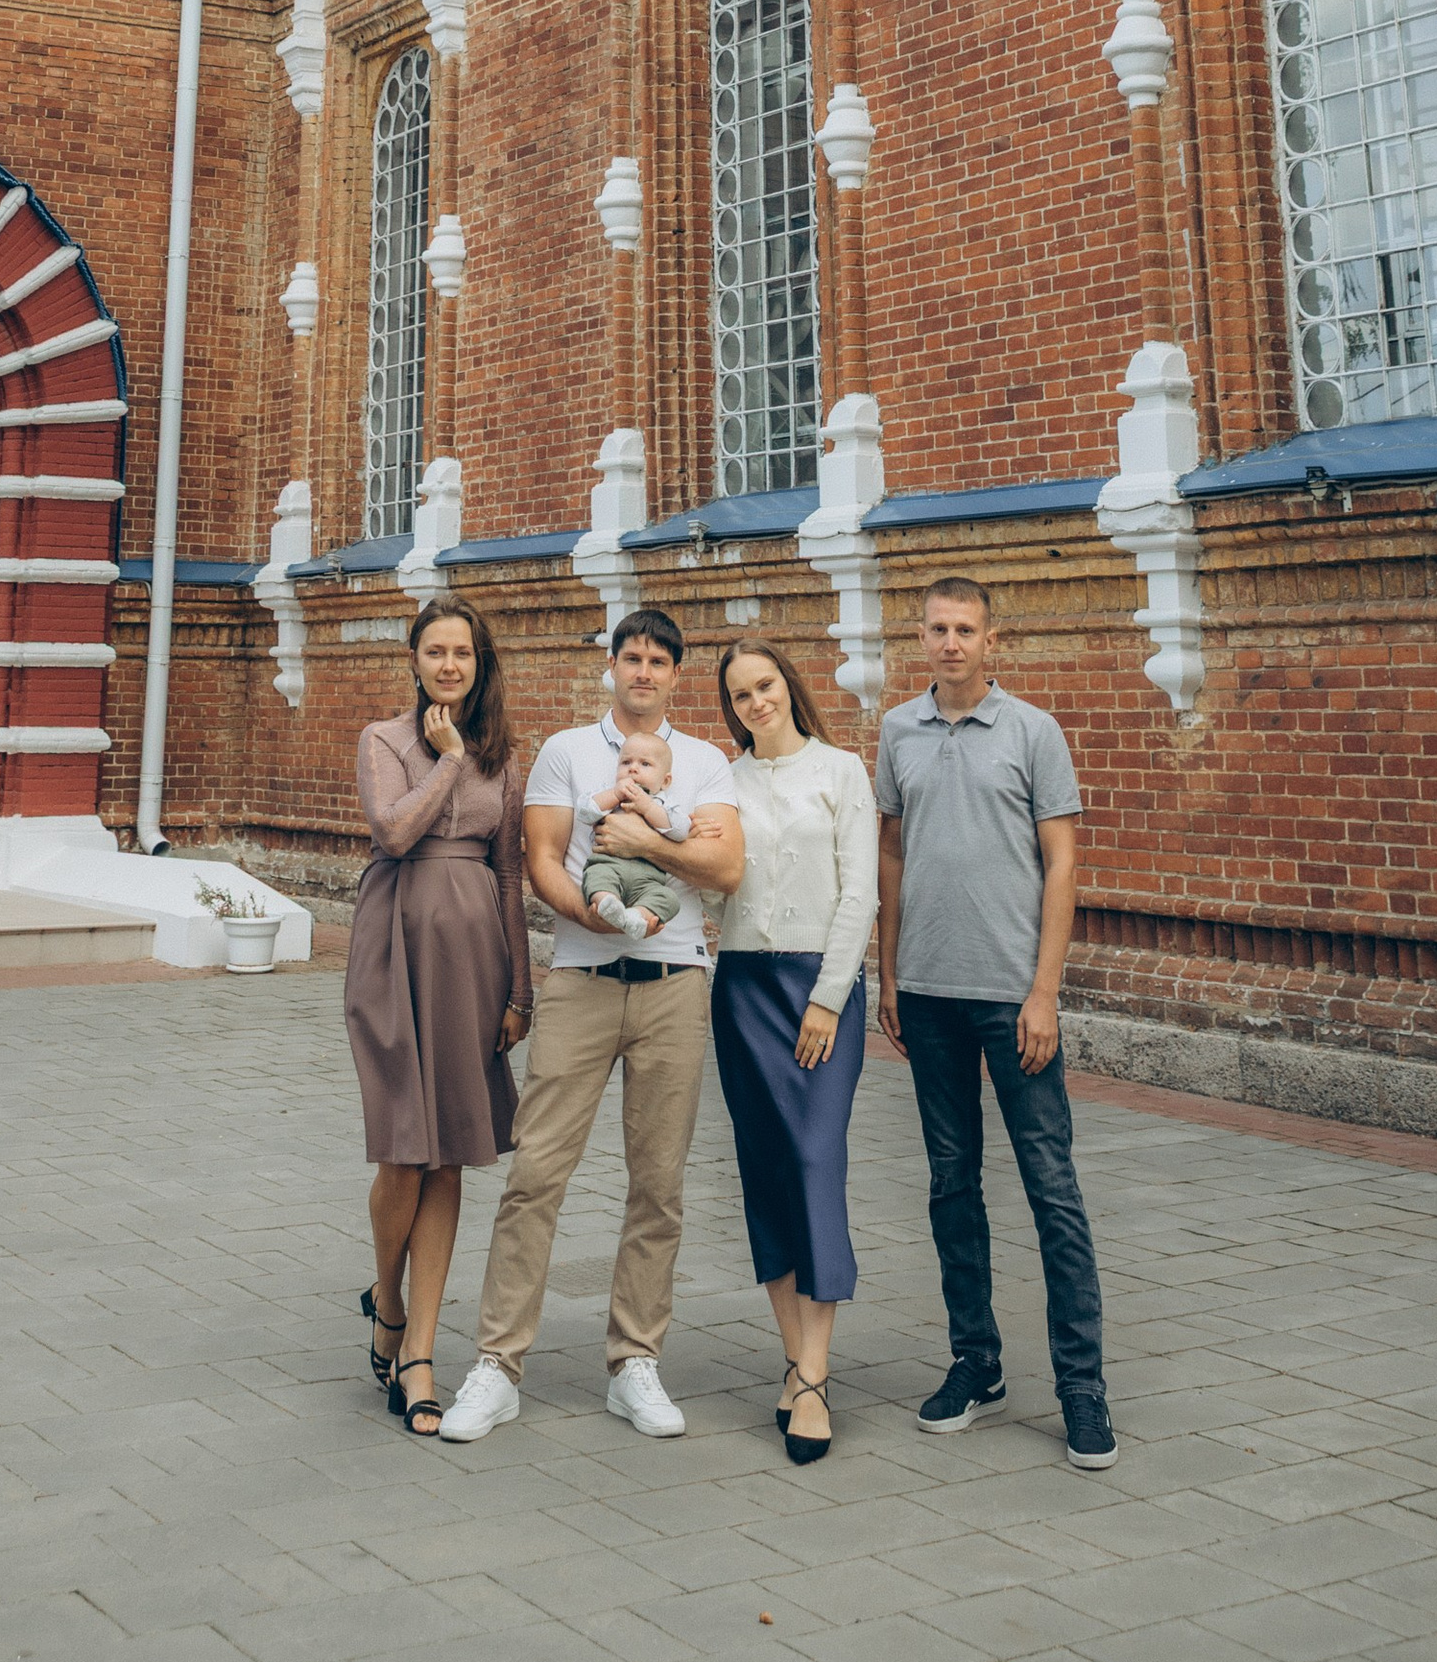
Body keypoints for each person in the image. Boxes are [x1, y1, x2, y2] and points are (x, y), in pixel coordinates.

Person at [437, 606, 743, 1440]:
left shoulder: (707, 761)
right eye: (631, 658)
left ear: (676, 674)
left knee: (659, 1184)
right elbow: (539, 857)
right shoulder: (568, 751)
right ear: (611, 666)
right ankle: (497, 1366)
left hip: (676, 980)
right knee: (536, 1173)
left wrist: (653, 845)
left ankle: (633, 1362)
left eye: (658, 661)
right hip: (579, 977)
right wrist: (594, 913)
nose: (643, 672)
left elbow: (724, 864)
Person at [874, 574, 1117, 1470]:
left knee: (1051, 1189)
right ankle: (976, 1362)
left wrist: (1044, 991)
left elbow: (1063, 865)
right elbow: (891, 853)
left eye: (965, 629)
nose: (949, 643)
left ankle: (1083, 1389)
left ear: (992, 640)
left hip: (1014, 1001)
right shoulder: (897, 730)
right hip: (929, 996)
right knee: (951, 1184)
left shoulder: (1032, 732)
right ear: (922, 637)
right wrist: (889, 973)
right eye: (936, 628)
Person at [345, 597, 532, 1441]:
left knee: (451, 1152)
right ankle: (387, 1295)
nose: (450, 665)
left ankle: (417, 1351)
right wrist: (450, 762)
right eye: (435, 651)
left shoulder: (507, 758)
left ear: (479, 661)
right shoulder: (385, 741)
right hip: (394, 951)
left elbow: (508, 878)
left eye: (463, 652)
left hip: (474, 962)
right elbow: (392, 832)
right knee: (402, 1151)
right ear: (413, 659)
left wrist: (519, 991)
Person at [710, 637, 876, 1466]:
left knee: (816, 1161)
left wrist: (828, 999)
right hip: (741, 987)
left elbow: (863, 892)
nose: (755, 703)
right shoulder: (722, 782)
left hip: (820, 989)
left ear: (788, 686)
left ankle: (814, 1374)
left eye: (765, 686)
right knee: (766, 1166)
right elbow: (710, 879)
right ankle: (797, 1361)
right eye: (739, 695)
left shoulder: (840, 771)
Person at [580, 730, 688, 938]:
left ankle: (635, 917)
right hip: (608, 866)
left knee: (669, 900)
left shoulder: (663, 804)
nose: (633, 769)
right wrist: (613, 794)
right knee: (595, 879)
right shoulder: (609, 794)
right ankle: (607, 903)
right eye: (626, 762)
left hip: (648, 880)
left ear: (665, 781)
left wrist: (647, 807)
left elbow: (681, 831)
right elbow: (585, 811)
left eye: (645, 764)